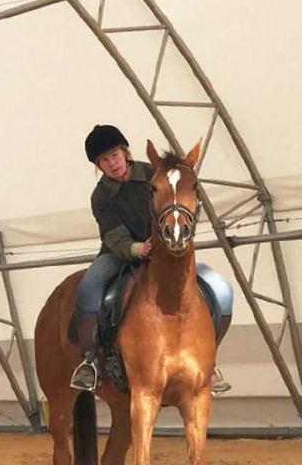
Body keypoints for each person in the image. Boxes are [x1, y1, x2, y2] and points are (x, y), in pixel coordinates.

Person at [71, 125, 234, 394]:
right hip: (120, 255)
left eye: (114, 155)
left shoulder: (154, 174)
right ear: (98, 165)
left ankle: (209, 360)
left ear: (125, 152)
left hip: (167, 252)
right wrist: (137, 249)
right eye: (103, 160)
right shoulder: (100, 196)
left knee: (222, 290)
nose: (111, 163)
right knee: (89, 288)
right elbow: (114, 237)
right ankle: (91, 362)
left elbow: (183, 201)